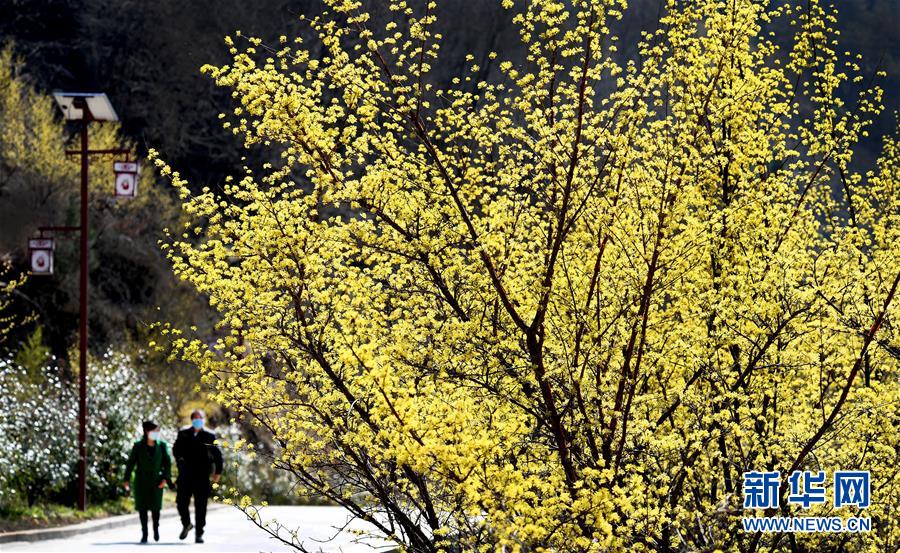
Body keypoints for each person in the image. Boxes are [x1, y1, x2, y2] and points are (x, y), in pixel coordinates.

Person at [173, 409, 223, 544]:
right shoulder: (183, 434)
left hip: (202, 476)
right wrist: (180, 461)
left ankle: (199, 533)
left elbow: (218, 455)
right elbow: (176, 450)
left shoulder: (210, 436)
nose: (197, 420)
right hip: (185, 475)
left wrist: (218, 472)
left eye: (199, 418)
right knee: (181, 502)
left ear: (203, 419)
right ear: (191, 420)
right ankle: (187, 524)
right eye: (195, 418)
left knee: (201, 506)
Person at [123, 420, 172, 543]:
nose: (156, 433)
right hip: (141, 481)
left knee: (156, 507)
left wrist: (165, 478)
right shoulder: (138, 446)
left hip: (157, 480)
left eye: (158, 430)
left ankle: (156, 528)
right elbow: (131, 463)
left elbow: (167, 464)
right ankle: (144, 533)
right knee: (142, 507)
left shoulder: (162, 446)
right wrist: (126, 479)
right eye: (154, 430)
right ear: (147, 431)